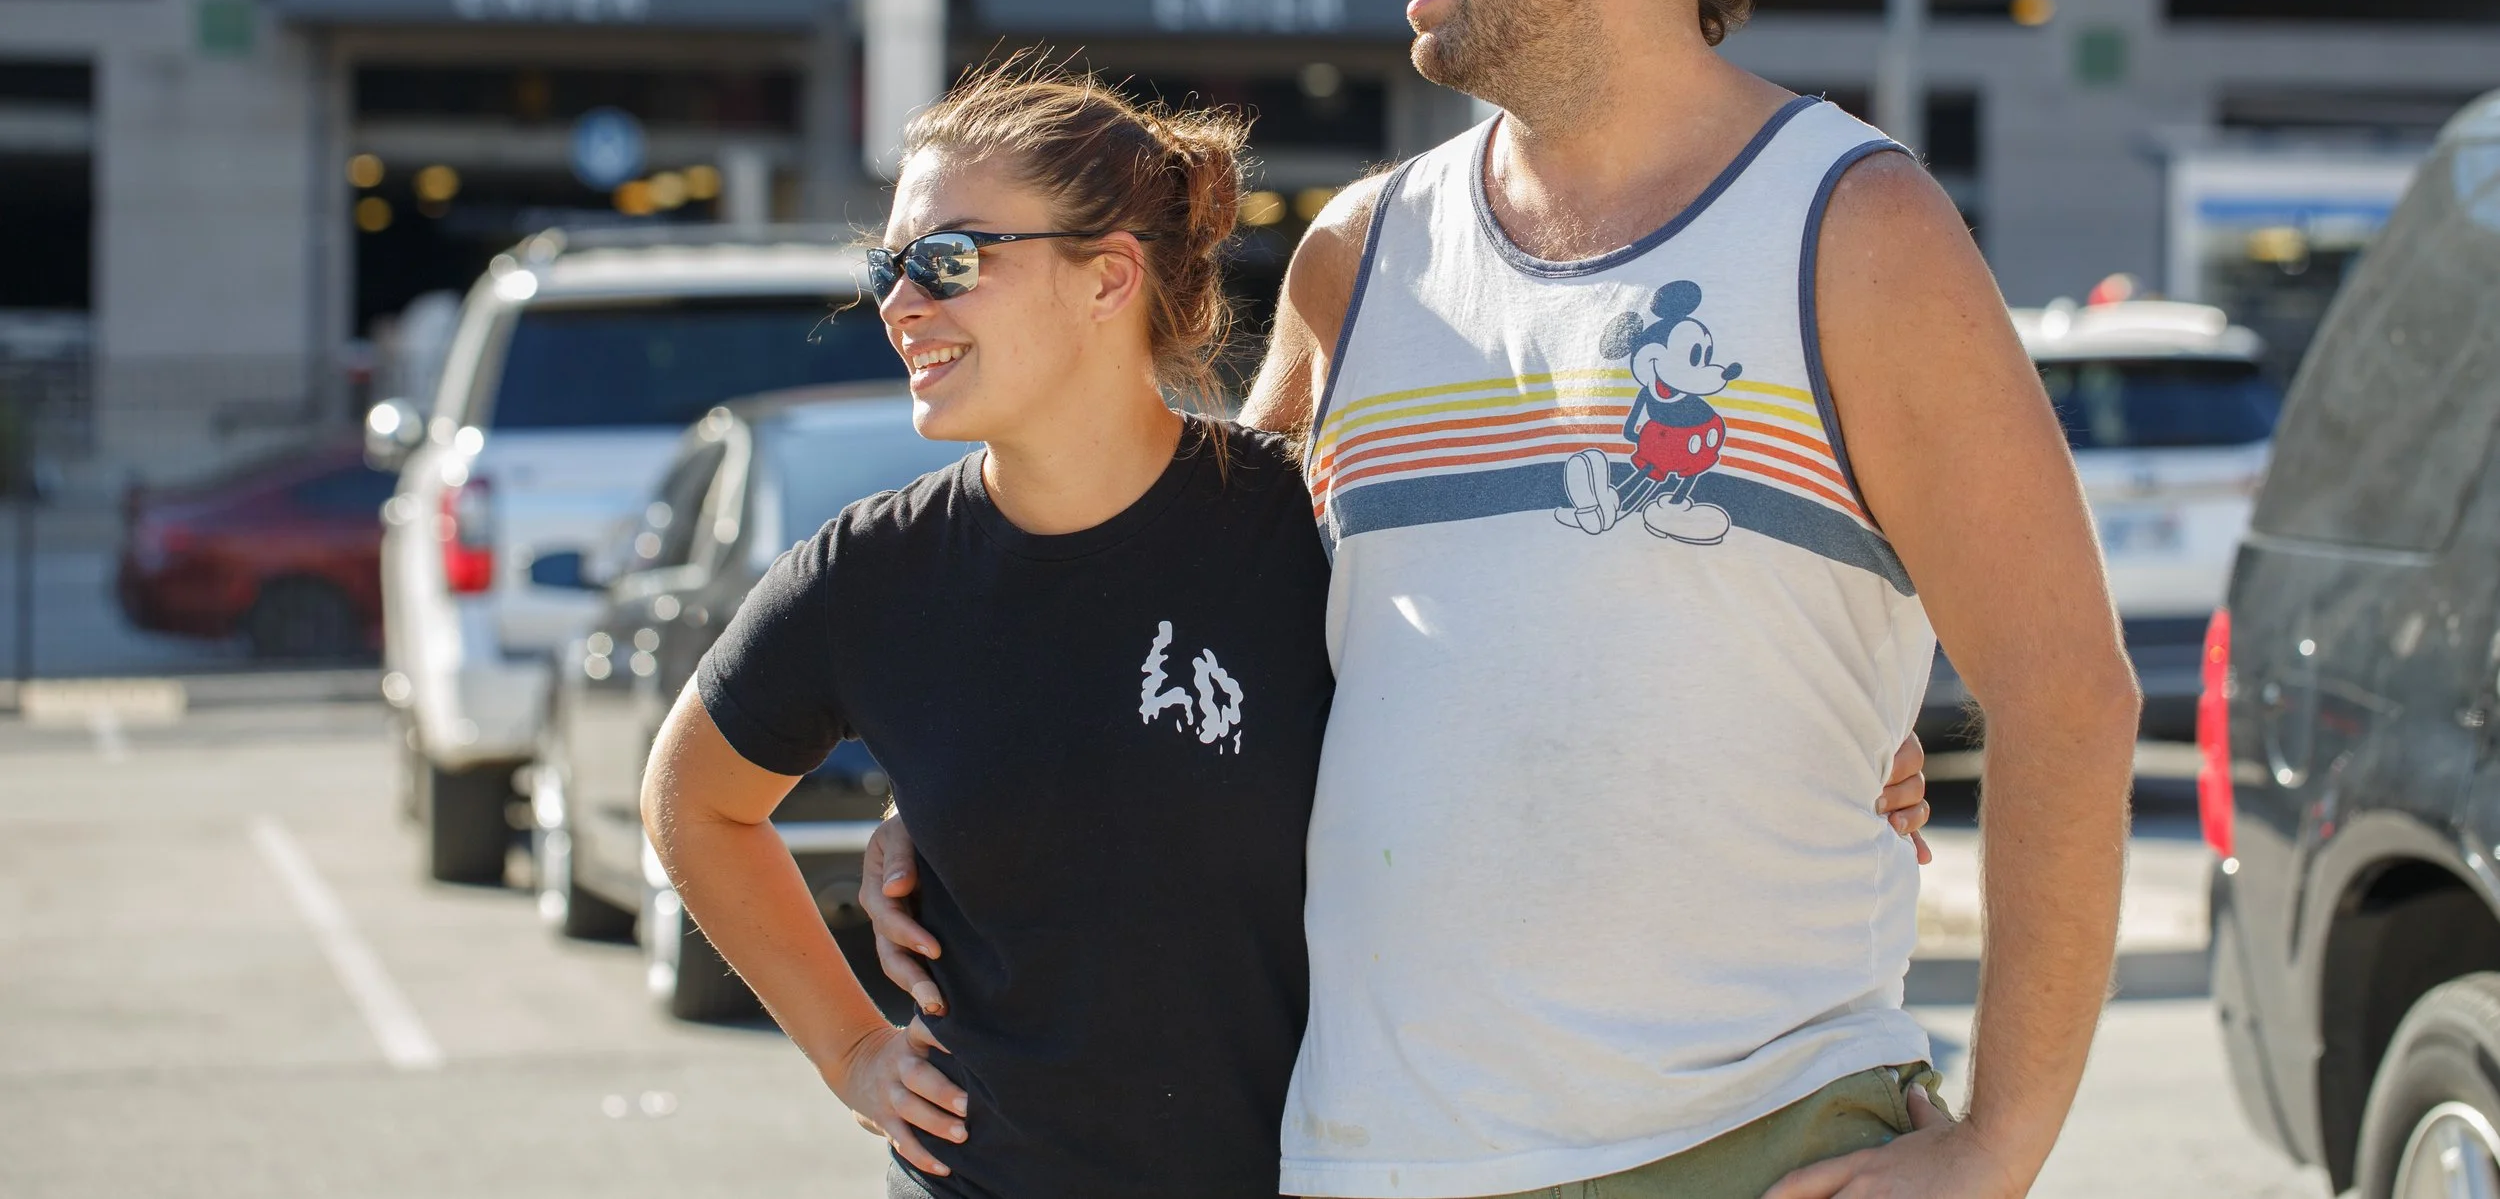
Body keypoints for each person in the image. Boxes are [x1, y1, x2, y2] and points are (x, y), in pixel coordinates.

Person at [863, 0, 2139, 1199]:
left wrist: (2001, 1143)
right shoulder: (1358, 255)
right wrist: (965, 793)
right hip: (1373, 1158)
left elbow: (2070, 692)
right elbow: (1190, 636)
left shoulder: (1855, 231)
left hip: (1754, 1142)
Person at [640, 63, 1936, 1199]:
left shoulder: (1300, 524)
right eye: (888, 266)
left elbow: (1561, 648)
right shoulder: (872, 573)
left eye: (950, 258)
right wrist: (852, 1045)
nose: (902, 300)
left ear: (1109, 278)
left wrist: (1826, 749)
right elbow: (694, 800)